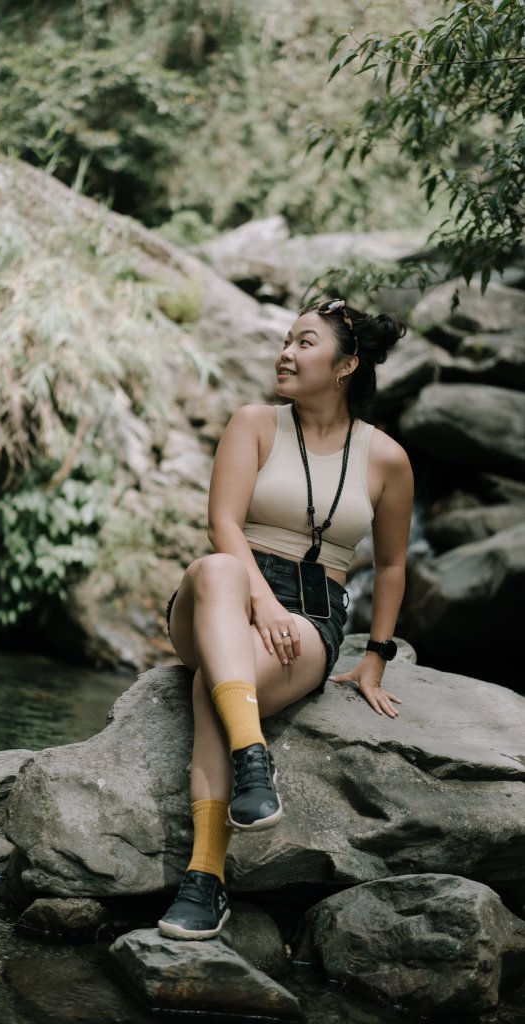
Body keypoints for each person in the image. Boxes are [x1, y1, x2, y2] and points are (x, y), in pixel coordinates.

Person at [156, 297, 414, 941]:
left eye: (304, 343)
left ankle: (206, 878)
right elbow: (222, 525)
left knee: (211, 686)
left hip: (313, 612)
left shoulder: (386, 459)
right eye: (285, 341)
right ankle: (253, 754)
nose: (285, 353)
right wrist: (260, 601)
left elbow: (389, 566)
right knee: (217, 569)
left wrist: (375, 656)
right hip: (222, 596)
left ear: (347, 363)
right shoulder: (254, 424)